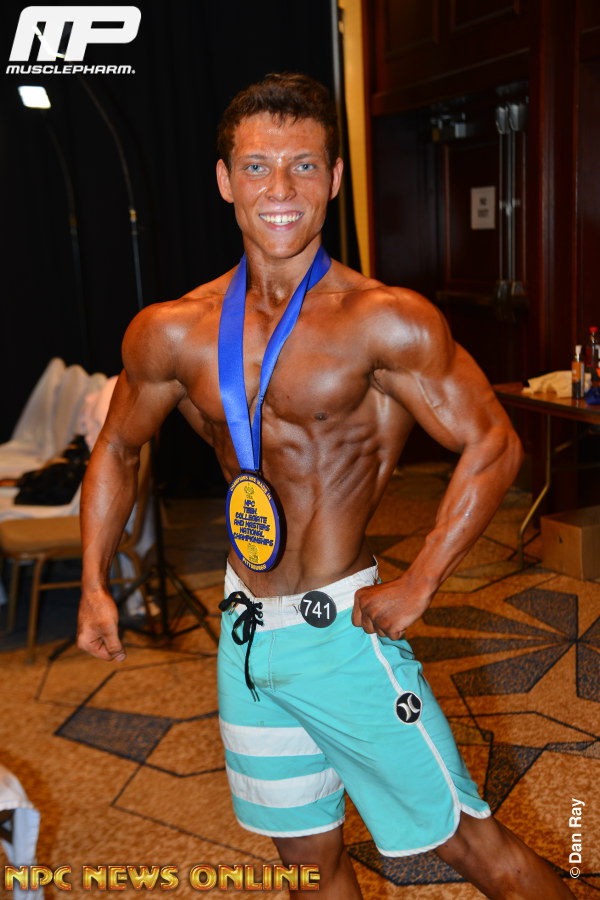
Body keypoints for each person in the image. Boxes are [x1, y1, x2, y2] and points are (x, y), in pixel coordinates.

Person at [77, 73, 574, 899]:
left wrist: (422, 580)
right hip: (245, 635)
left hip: (341, 632)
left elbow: (493, 442)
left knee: (470, 845)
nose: (281, 189)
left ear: (335, 178)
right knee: (309, 864)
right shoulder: (172, 331)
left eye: (304, 165)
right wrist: (95, 581)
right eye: (258, 166)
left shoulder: (383, 319)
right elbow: (118, 449)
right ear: (224, 179)